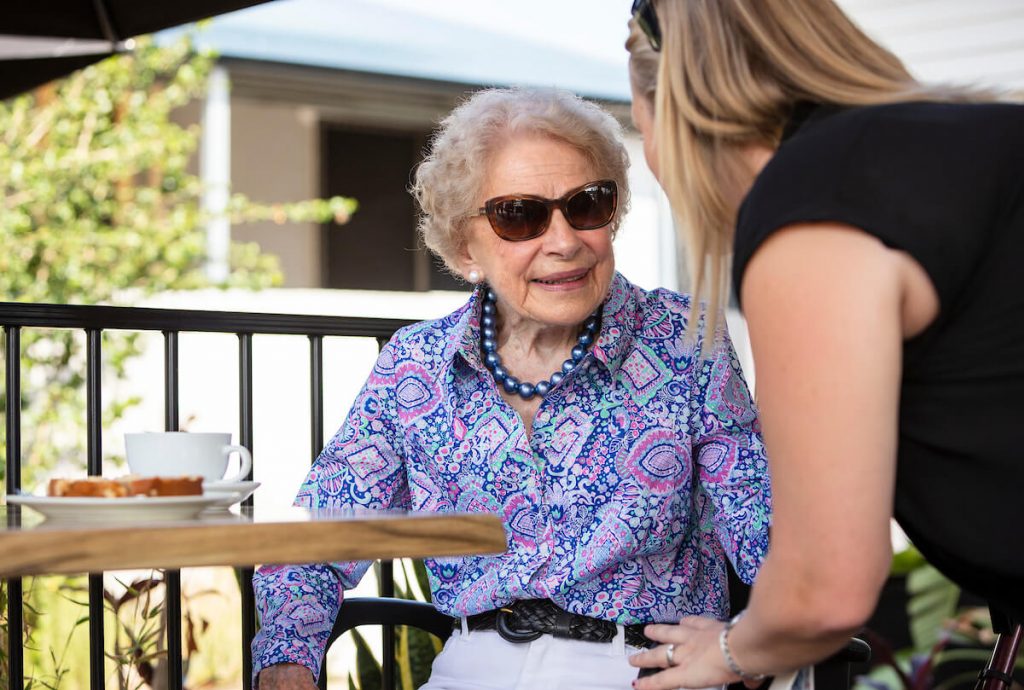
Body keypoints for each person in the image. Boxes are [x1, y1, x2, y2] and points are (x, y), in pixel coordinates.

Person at [251, 86, 770, 689]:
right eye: (520, 216)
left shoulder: (685, 343)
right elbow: (320, 541)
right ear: (465, 246)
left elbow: (767, 532)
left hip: (639, 668)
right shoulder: (415, 367)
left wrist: (747, 647)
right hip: (473, 665)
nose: (564, 240)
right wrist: (285, 663)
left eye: (587, 204)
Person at [624, 1, 1024, 688]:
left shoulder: (814, 205)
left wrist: (729, 651)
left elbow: (824, 588)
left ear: (673, 110)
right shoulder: (973, 139)